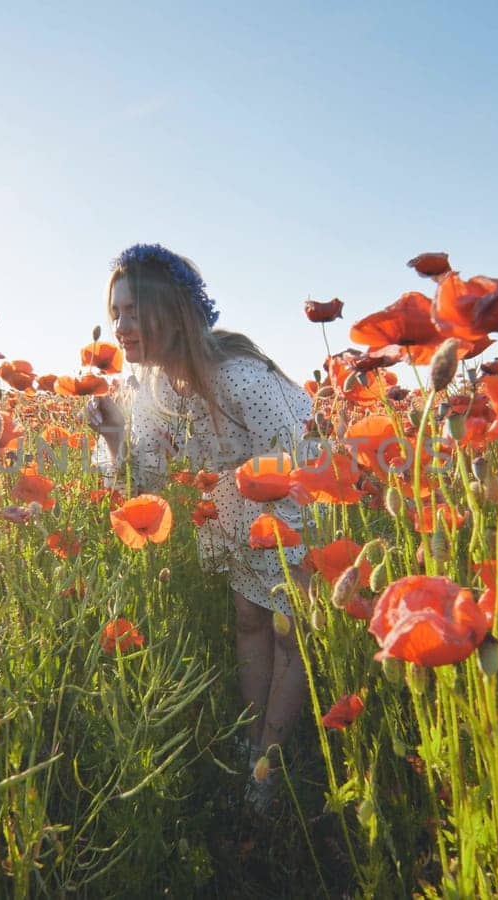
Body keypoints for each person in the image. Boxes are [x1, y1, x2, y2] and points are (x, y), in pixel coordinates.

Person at [84, 243, 314, 810]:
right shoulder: (156, 391)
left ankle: (270, 764)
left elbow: (302, 458)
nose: (122, 327)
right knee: (247, 619)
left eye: (133, 312)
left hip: (296, 507)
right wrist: (113, 434)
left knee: (290, 631)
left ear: (172, 310)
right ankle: (250, 742)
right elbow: (147, 479)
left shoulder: (239, 377)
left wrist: (291, 546)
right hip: (237, 511)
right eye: (116, 315)